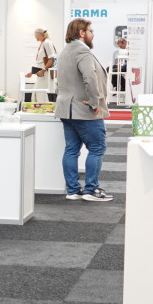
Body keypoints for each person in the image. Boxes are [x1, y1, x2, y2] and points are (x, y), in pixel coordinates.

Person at [55, 18, 112, 202]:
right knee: (97, 147)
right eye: (90, 31)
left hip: (66, 109)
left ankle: (72, 190)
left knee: (71, 149)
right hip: (83, 109)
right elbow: (90, 77)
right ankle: (91, 190)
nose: (93, 34)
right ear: (81, 33)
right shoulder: (82, 51)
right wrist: (95, 102)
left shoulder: (64, 51)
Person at [29, 28, 57, 92]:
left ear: (38, 34)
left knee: (42, 93)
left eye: (35, 35)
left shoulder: (47, 43)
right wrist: (32, 72)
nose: (34, 36)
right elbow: (40, 62)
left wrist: (43, 70)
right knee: (38, 92)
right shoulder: (43, 43)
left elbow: (52, 59)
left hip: (46, 73)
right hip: (42, 73)